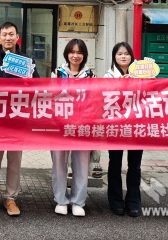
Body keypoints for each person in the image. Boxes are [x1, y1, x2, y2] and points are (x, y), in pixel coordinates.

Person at [0, 22, 40, 217]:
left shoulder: (27, 61)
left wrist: (29, 82)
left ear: (17, 37)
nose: (8, 37)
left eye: (11, 34)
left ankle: (10, 198)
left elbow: (37, 87)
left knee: (15, 159)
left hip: (17, 118)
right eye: (4, 34)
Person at [52, 38, 94, 217]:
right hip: (60, 126)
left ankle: (78, 201)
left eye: (79, 52)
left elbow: (95, 100)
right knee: (59, 164)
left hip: (83, 127)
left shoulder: (90, 75)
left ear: (84, 55)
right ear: (66, 54)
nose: (75, 56)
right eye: (72, 52)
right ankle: (61, 200)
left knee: (81, 165)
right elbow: (50, 97)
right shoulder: (57, 73)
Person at [104, 41, 142, 217]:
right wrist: (120, 84)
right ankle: (115, 201)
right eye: (119, 54)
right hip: (115, 126)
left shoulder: (141, 75)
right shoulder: (108, 75)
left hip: (136, 126)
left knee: (135, 165)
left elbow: (151, 93)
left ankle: (133, 201)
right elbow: (103, 97)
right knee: (115, 163)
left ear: (132, 56)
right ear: (114, 57)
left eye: (126, 53)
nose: (123, 57)